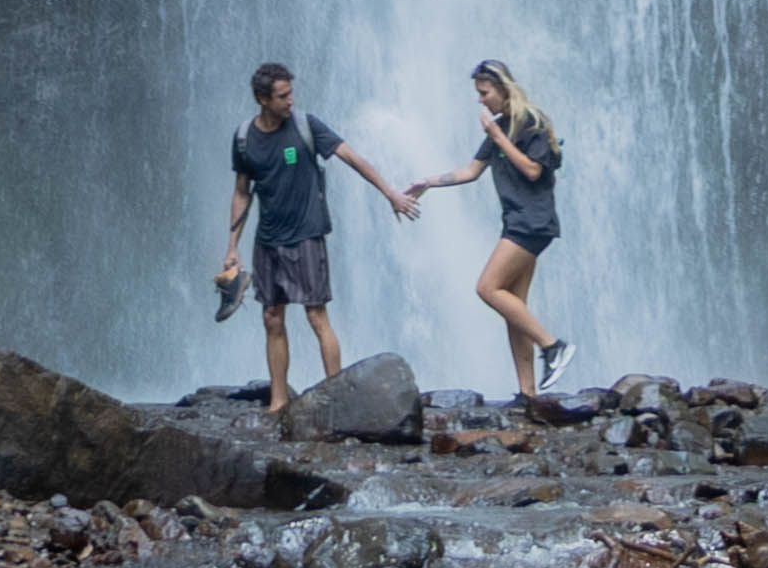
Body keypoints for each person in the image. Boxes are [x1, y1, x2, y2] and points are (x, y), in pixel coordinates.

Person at [217, 60, 416, 413]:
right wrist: (232, 247)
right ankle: (278, 401)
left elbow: (353, 158)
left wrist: (391, 194)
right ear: (263, 99)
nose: (291, 101)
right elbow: (242, 192)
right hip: (267, 239)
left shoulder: (307, 126)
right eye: (283, 96)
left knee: (315, 316)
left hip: (306, 235)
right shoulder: (245, 137)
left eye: (291, 93)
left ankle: (335, 399)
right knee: (272, 318)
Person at [409, 59, 567, 399]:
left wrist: (498, 136)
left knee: (487, 288)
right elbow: (470, 171)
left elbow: (533, 171)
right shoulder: (500, 125)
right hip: (518, 221)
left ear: (503, 89)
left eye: (484, 93)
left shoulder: (530, 123)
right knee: (514, 306)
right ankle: (528, 393)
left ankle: (553, 347)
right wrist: (428, 182)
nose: (480, 100)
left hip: (532, 222)